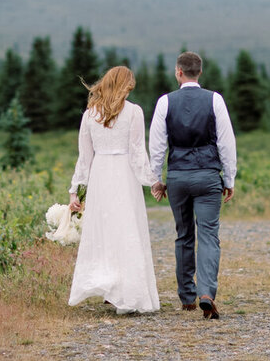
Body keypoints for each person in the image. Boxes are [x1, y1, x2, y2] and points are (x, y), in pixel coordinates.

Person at [149, 51, 237, 320]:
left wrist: (157, 179)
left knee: (183, 235)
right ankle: (207, 293)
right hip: (208, 176)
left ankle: (187, 296)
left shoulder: (165, 102)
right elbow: (226, 142)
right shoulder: (215, 100)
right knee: (209, 235)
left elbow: (157, 144)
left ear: (178, 72)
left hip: (177, 176)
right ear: (200, 72)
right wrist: (229, 178)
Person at [67, 66, 160, 314]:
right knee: (126, 229)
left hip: (100, 174)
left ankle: (112, 289)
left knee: (104, 231)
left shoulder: (90, 114)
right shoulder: (134, 112)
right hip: (124, 175)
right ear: (124, 86)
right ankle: (124, 291)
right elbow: (138, 152)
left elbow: (84, 157)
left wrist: (74, 190)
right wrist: (153, 181)